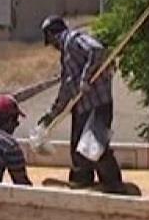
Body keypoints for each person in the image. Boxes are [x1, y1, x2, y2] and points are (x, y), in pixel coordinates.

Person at [39, 15, 125, 193]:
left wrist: (85, 79)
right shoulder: (66, 54)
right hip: (82, 106)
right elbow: (66, 88)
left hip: (98, 103)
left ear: (53, 35)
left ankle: (113, 183)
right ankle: (82, 179)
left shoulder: (73, 40)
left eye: (50, 40)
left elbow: (97, 50)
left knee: (94, 145)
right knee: (78, 144)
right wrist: (52, 114)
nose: (52, 46)